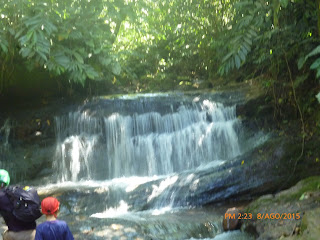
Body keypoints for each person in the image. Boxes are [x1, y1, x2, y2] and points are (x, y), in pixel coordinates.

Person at [0, 169, 37, 240]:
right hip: (34, 233)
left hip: (15, 236)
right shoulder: (18, 191)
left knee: (5, 234)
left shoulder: (1, 196)